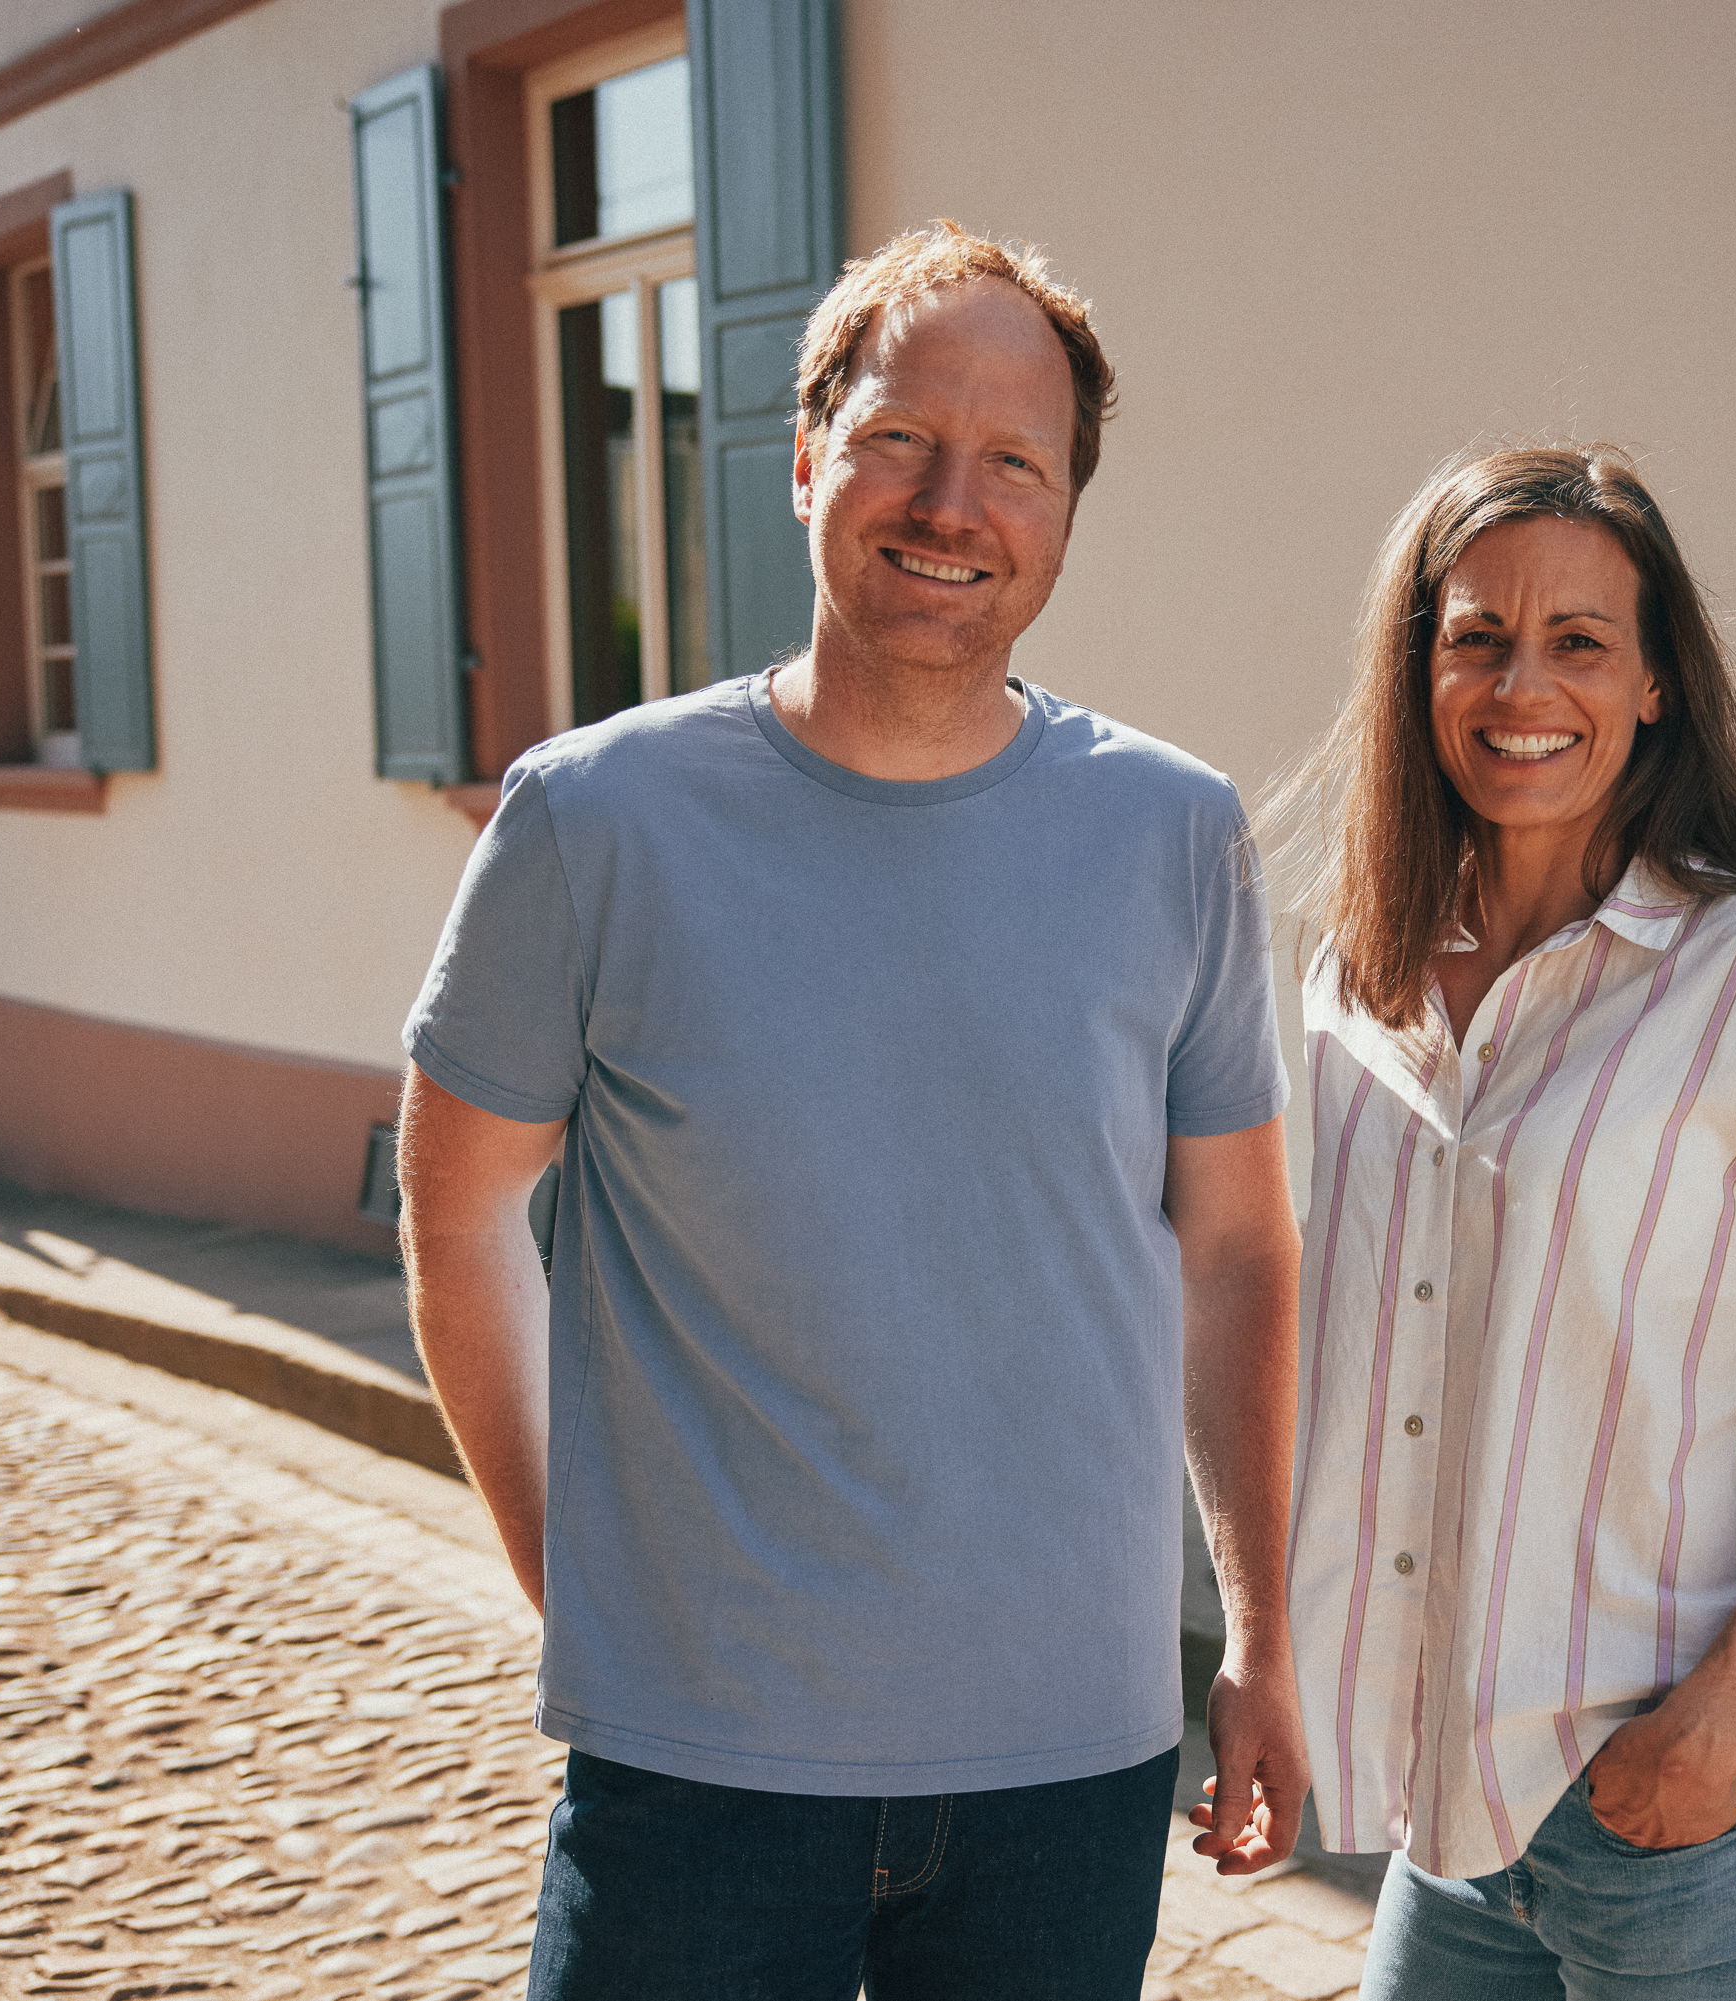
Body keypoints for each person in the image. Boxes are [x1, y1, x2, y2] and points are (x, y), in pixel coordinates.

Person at [396, 222, 1309, 2001]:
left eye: (1015, 461)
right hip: (700, 1771)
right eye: (901, 437)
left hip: (1067, 1767)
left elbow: (1239, 1253)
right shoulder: (594, 819)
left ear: (1065, 512)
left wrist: (1261, 1633)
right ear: (808, 456)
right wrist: (578, 1580)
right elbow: (457, 1206)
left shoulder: (1176, 834)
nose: (951, 502)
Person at [1268, 446, 1736, 1999]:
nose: (1523, 684)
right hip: (1460, 1821)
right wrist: (1281, 1659)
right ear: (1420, 671)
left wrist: (1710, 1728)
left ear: (1655, 682)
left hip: (1716, 1828)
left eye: (1579, 640)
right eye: (1477, 637)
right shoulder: (1358, 984)